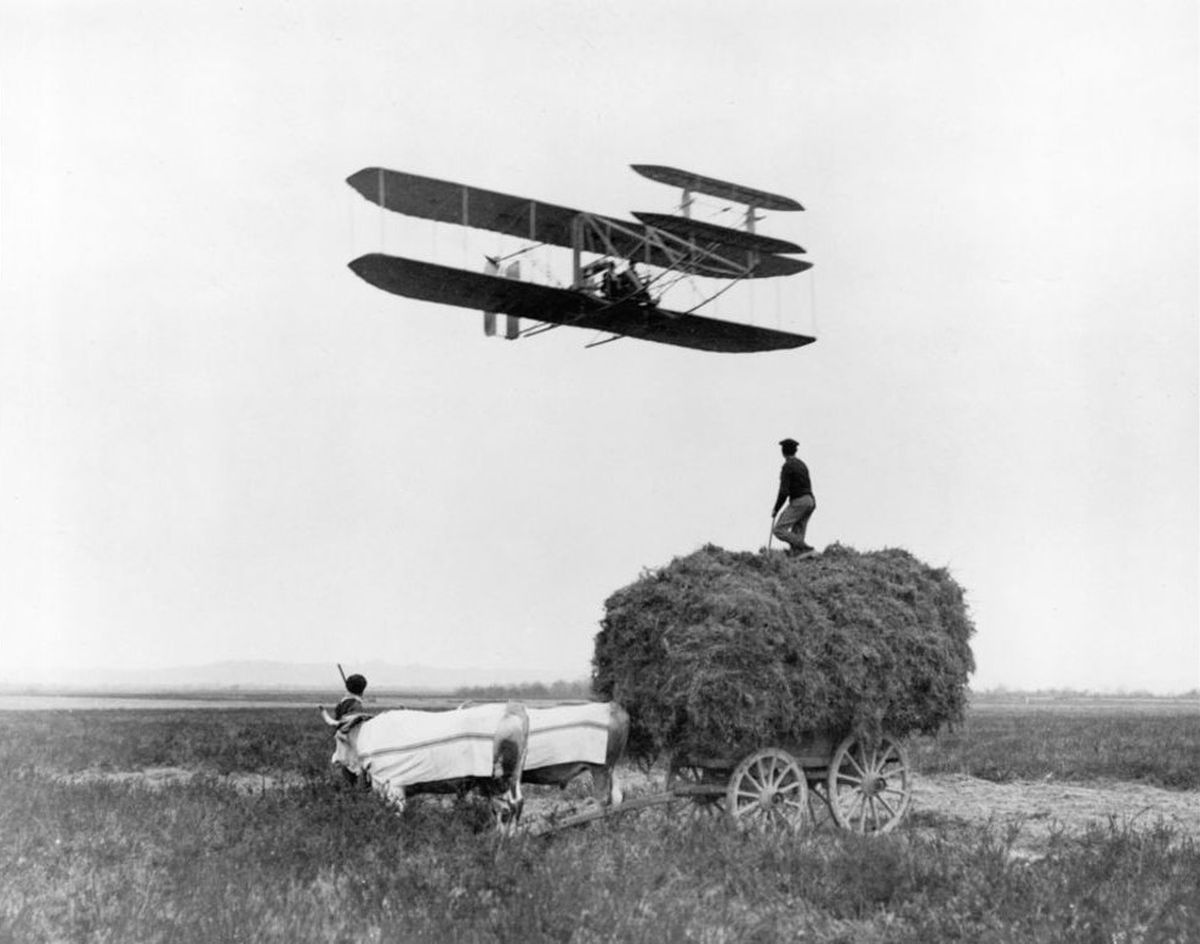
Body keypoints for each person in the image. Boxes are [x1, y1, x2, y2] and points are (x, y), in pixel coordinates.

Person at [771, 438, 816, 555]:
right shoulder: (802, 465)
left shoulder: (787, 466)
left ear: (783, 452)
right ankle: (800, 555)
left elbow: (783, 492)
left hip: (799, 501)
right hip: (810, 501)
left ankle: (805, 548)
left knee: (778, 530)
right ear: (795, 451)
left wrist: (776, 509)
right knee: (797, 532)